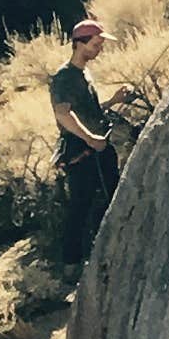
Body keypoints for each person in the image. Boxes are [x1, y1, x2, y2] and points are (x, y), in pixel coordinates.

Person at [48, 16, 120, 269]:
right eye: (95, 44)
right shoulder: (64, 77)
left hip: (98, 146)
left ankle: (106, 253)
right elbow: (63, 113)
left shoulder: (84, 73)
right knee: (81, 206)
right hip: (81, 150)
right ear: (79, 43)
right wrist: (90, 139)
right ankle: (72, 263)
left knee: (110, 195)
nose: (99, 49)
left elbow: (87, 110)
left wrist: (113, 102)